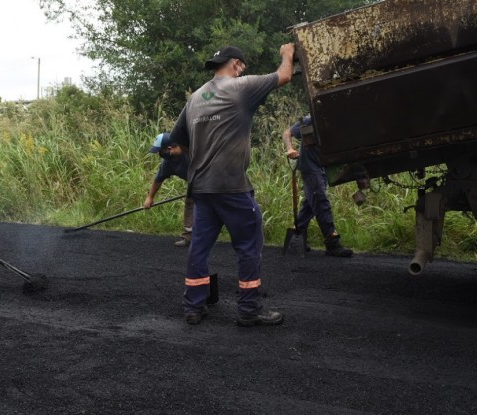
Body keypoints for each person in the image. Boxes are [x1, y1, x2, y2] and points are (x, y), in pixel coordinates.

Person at [170, 44, 294, 326]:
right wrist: (287, 53)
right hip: (231, 186)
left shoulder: (196, 98)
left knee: (198, 248)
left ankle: (193, 307)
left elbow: (179, 140)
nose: (243, 72)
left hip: (201, 188)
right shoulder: (241, 88)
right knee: (249, 245)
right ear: (236, 64)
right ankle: (249, 310)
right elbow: (284, 76)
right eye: (243, 68)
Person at [282, 115, 353, 257]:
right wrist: (290, 149)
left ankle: (296, 239)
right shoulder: (312, 119)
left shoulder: (337, 122)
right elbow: (287, 133)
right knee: (320, 201)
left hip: (321, 167)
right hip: (310, 167)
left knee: (310, 203)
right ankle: (332, 242)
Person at [144, 132, 194, 247]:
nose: (160, 154)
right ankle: (189, 236)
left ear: (170, 148)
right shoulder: (168, 163)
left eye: (161, 151)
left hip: (214, 179)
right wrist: (150, 197)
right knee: (190, 203)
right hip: (195, 183)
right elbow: (158, 179)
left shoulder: (192, 152)